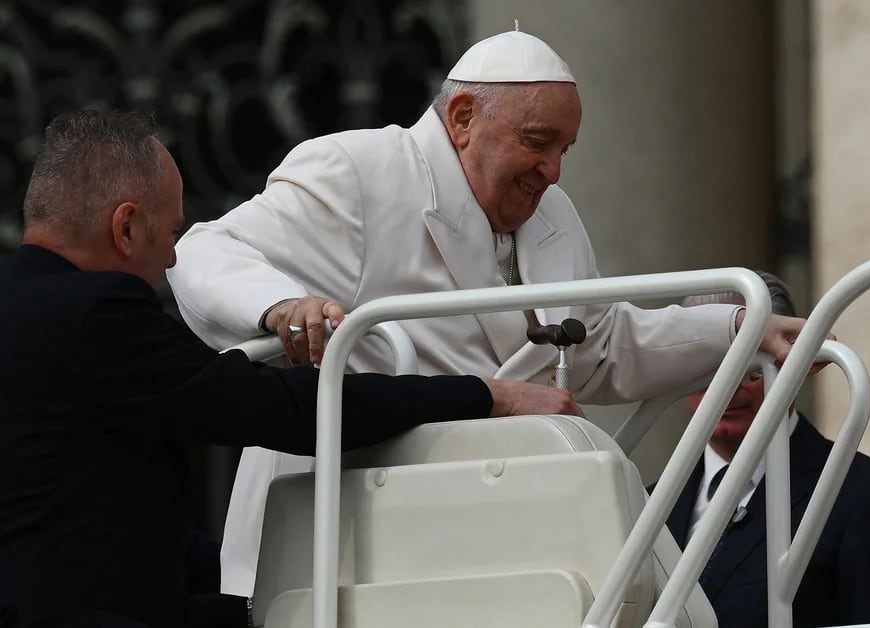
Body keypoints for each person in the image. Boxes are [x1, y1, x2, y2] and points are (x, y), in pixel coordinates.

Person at [166, 29, 815, 596]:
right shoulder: (358, 171)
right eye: (539, 142)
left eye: (566, 149)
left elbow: (599, 345)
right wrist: (281, 307)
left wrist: (738, 328)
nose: (554, 171)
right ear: (463, 116)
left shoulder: (551, 215)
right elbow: (204, 252)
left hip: (484, 531)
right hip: (348, 534)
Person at [0, 111, 579, 628]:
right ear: (126, 228)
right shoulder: (97, 314)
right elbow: (279, 408)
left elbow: (91, 509)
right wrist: (484, 397)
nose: (173, 257)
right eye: (171, 233)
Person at [658, 272, 870, 628]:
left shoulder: (867, 496)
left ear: (795, 367)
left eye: (749, 370)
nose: (725, 390)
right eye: (705, 369)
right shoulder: (646, 505)